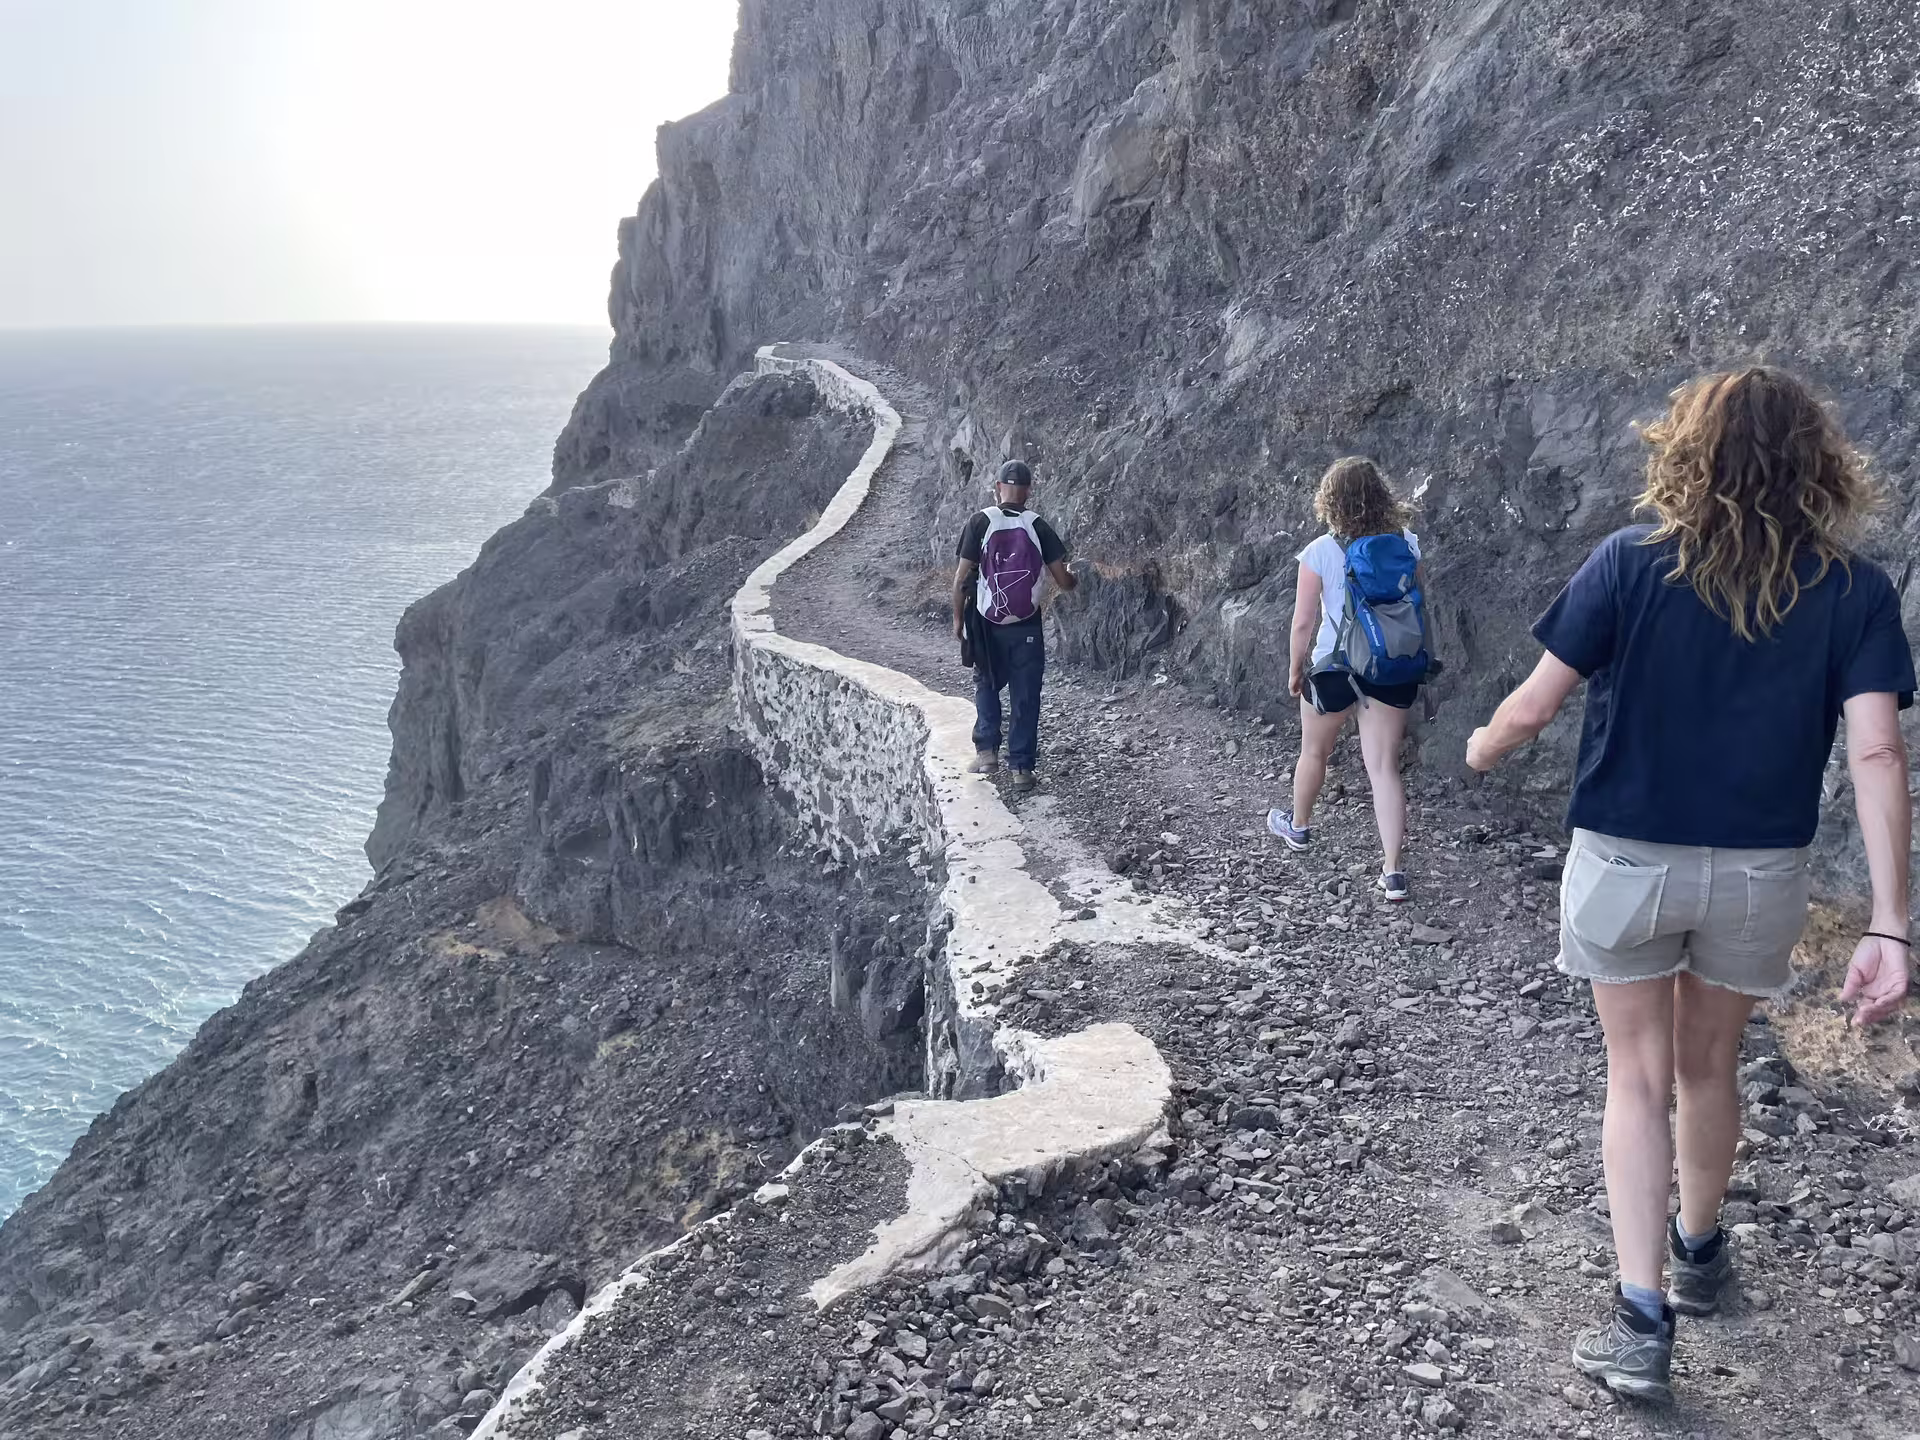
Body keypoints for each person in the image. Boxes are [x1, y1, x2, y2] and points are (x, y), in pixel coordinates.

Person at [1465, 366, 1914, 1404]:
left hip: (1627, 862)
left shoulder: (1628, 564)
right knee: (1710, 1068)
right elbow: (1879, 755)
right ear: (1819, 467)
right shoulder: (1855, 591)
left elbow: (1533, 708)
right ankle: (1702, 1254)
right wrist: (1890, 923)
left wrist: (1484, 745)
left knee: (1634, 1077)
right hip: (1759, 873)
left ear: (1687, 452)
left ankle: (1640, 1319)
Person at [1267, 457, 1426, 901]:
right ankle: (1393, 872)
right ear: (1381, 494)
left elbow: (1302, 622)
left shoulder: (1320, 550)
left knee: (1314, 752)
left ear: (1330, 500)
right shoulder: (1406, 543)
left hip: (1333, 666)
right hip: (1387, 667)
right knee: (1383, 769)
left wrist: (1296, 670)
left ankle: (1298, 827)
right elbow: (1414, 603)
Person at [952, 460, 1077, 792]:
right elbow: (1063, 580)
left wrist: (957, 619)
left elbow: (961, 578)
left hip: (986, 622)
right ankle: (1022, 769)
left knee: (986, 682)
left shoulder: (980, 521)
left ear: (998, 487)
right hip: (1026, 626)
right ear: (1028, 491)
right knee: (1025, 694)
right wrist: (1074, 577)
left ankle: (986, 752)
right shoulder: (1038, 525)